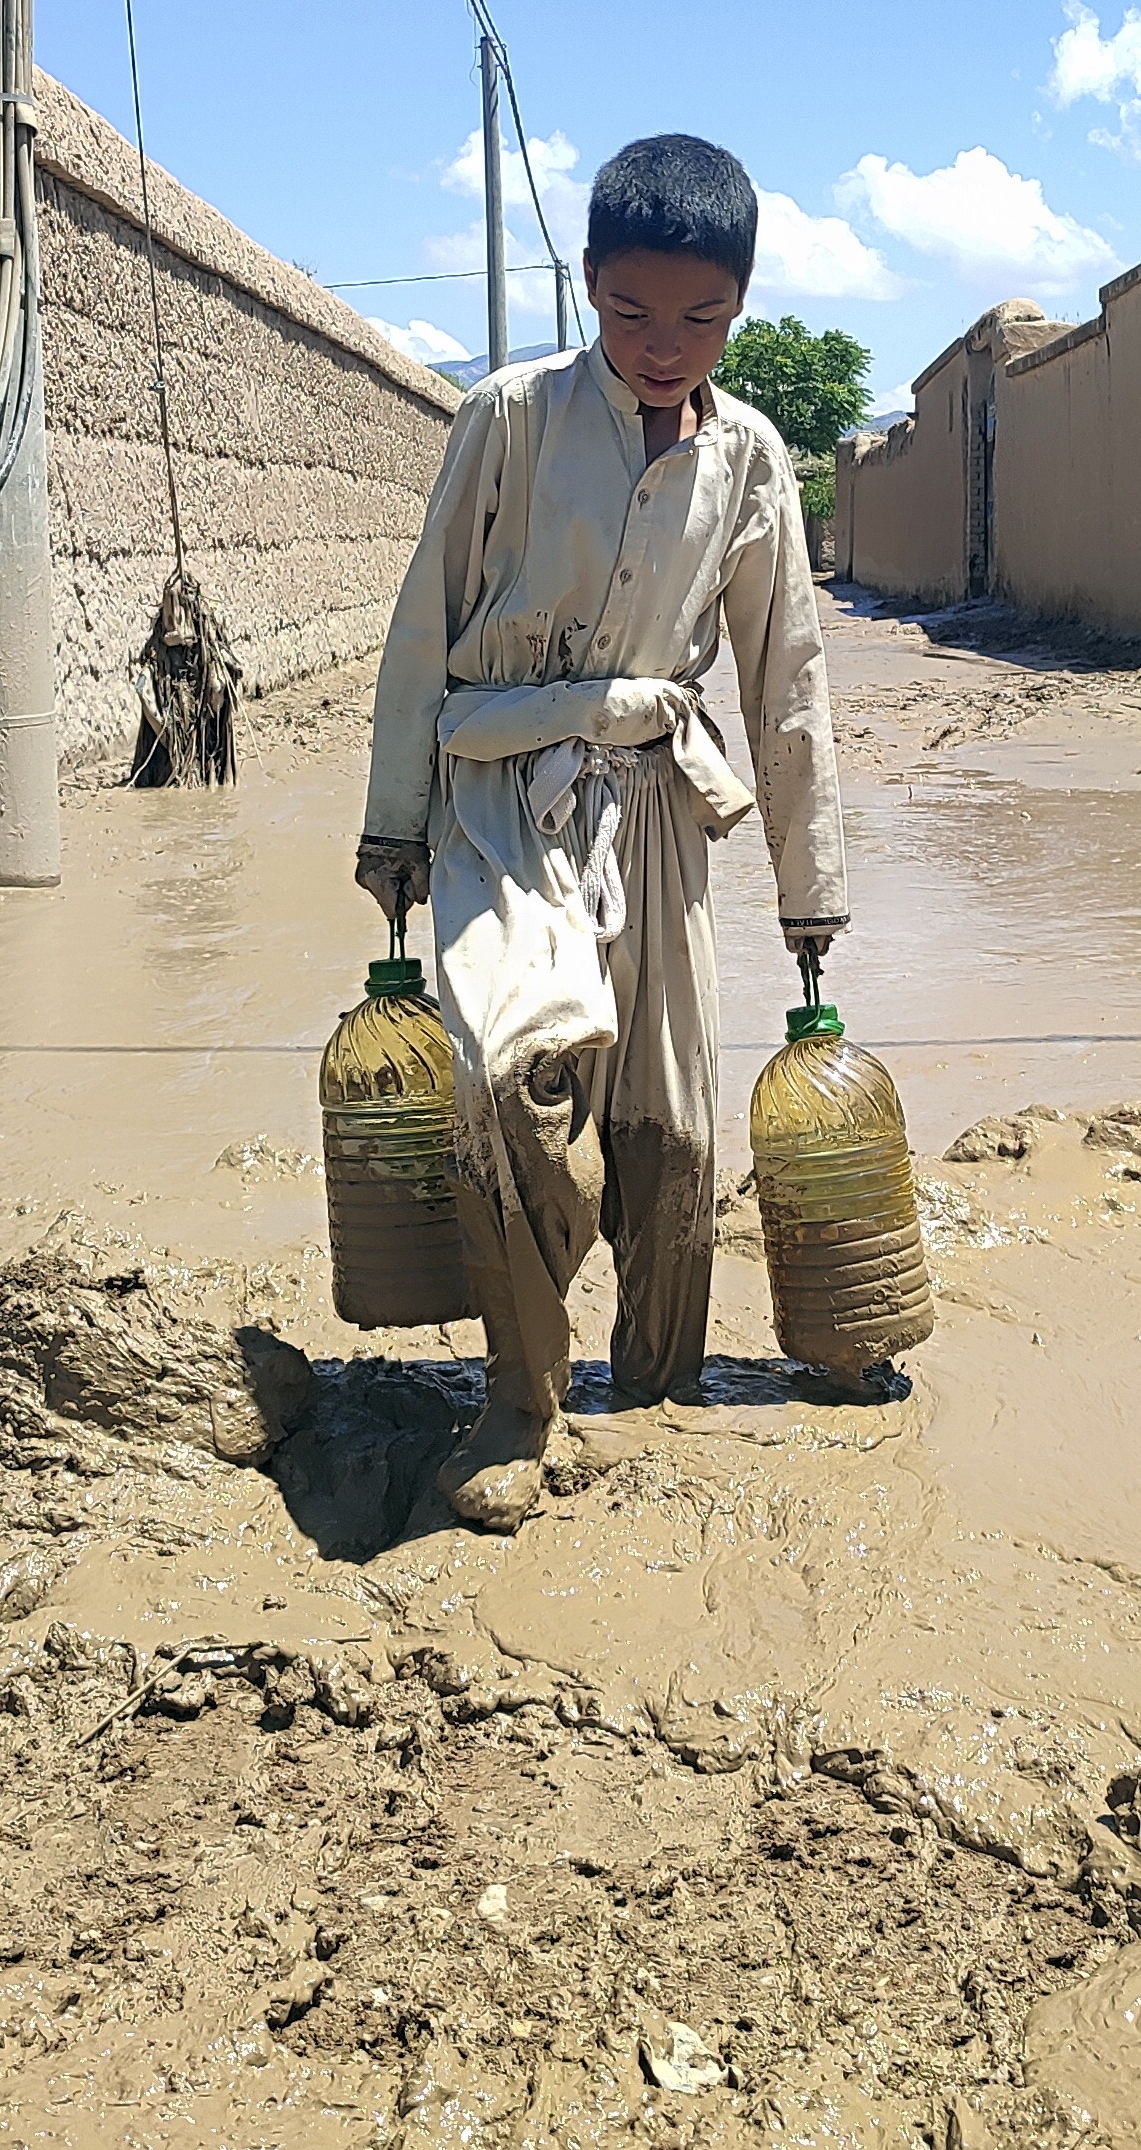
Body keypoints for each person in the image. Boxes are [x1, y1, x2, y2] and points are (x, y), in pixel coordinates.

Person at [353, 134, 848, 1531]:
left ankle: (662, 1384)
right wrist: (393, 832)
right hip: (505, 803)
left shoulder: (749, 459)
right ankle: (524, 1396)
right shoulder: (507, 418)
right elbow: (420, 634)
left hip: (658, 814)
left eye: (699, 318)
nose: (662, 345)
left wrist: (811, 895)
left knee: (675, 1137)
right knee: (514, 1082)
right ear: (588, 286)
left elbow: (786, 678)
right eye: (631, 311)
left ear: (739, 309)